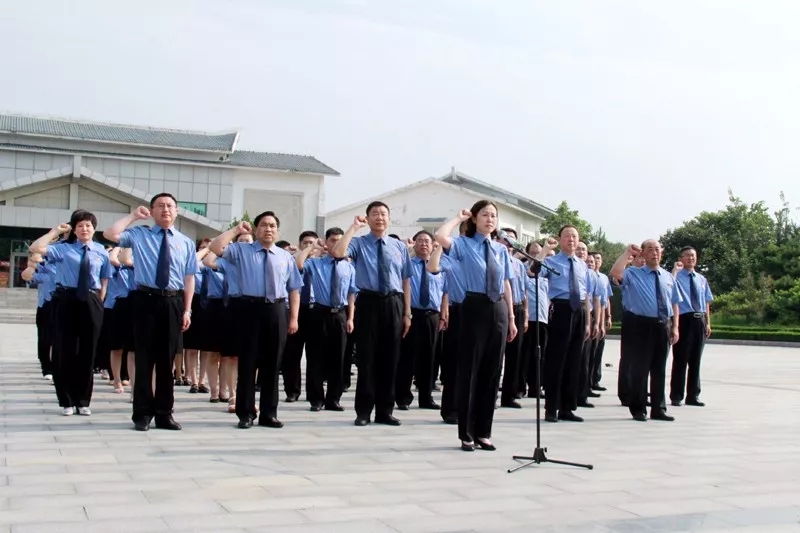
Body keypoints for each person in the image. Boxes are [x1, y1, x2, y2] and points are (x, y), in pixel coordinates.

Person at [104, 193, 197, 431]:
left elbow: (189, 278)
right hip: (145, 300)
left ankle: (165, 414)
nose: (166, 209)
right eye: (160, 206)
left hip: (173, 301)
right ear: (152, 211)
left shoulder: (186, 242)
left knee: (167, 361)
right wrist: (133, 216)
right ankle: (142, 414)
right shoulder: (139, 235)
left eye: (170, 206)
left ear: (176, 211)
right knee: (144, 360)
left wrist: (187, 310)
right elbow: (110, 234)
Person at [435, 201, 517, 452]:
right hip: (474, 306)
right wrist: (458, 218)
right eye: (484, 215)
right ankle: (467, 433)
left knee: (493, 372)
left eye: (493, 215)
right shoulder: (463, 244)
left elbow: (506, 283)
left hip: (498, 308)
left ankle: (484, 432)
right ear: (474, 218)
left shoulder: (501, 250)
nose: (490, 219)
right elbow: (440, 236)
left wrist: (511, 317)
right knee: (470, 371)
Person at [209, 211, 302, 429]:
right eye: (263, 225)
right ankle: (246, 413)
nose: (268, 229)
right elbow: (215, 247)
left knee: (273, 364)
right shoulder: (241, 250)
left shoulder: (285, 257)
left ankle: (269, 413)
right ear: (256, 228)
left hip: (276, 310)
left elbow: (294, 289)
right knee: (248, 363)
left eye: (272, 226)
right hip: (248, 309)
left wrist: (294, 318)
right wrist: (236, 230)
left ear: (277, 231)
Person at [331, 201, 413, 427]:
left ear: (389, 218)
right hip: (368, 302)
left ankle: (385, 411)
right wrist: (353, 228)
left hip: (394, 302)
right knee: (367, 359)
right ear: (367, 219)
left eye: (383, 214)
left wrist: (407, 313)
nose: (379, 217)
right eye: (375, 214)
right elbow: (338, 253)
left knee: (391, 358)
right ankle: (364, 411)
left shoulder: (398, 246)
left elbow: (406, 281)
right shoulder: (359, 243)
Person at [30, 210, 111, 416]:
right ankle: (66, 400)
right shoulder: (63, 249)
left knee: (88, 352)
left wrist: (99, 302)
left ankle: (82, 400)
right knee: (64, 351)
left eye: (88, 225)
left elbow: (104, 280)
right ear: (74, 229)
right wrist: (55, 232)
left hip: (91, 300)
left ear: (94, 228)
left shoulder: (101, 251)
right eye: (80, 226)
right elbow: (35, 248)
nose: (85, 229)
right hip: (66, 298)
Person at [610, 240, 681, 422]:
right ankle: (638, 408)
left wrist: (675, 326)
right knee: (640, 369)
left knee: (659, 368)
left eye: (657, 249)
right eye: (650, 249)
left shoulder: (668, 276)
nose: (654, 253)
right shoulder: (633, 273)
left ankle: (658, 408)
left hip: (662, 324)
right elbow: (616, 273)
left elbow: (674, 303)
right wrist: (627, 254)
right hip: (640, 325)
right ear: (643, 253)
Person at [535, 227, 599, 423]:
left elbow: (586, 294)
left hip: (579, 311)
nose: (571, 239)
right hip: (561, 309)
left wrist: (587, 322)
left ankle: (567, 407)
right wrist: (545, 250)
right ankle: (551, 408)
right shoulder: (551, 262)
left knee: (574, 361)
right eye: (567, 236)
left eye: (574, 236)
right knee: (557, 360)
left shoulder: (582, 265)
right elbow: (532, 271)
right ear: (560, 239)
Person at [294, 228, 358, 411]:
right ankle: (316, 399)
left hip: (340, 314)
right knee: (316, 357)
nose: (336, 244)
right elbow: (298, 263)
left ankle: (333, 399)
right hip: (319, 313)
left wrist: (350, 318)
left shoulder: (349, 267)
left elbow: (352, 294)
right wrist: (312, 246)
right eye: (333, 240)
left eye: (340, 240)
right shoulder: (316, 263)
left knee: (338, 358)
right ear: (326, 242)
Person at [395, 230, 448, 411]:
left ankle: (426, 397)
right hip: (412, 314)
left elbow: (445, 292)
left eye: (427, 241)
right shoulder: (407, 265)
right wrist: (406, 314)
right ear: (414, 243)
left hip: (433, 315)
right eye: (420, 241)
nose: (423, 244)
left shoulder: (440, 267)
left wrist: (444, 314)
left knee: (430, 358)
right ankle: (403, 397)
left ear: (433, 245)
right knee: (407, 357)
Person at [427, 221, 468, 424]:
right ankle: (451, 409)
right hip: (460, 310)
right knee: (455, 364)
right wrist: (440, 247)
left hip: (483, 311)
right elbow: (432, 267)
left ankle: (469, 408)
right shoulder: (451, 257)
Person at [670, 246, 713, 407]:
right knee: (680, 359)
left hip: (699, 319)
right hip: (684, 319)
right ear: (681, 258)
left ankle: (693, 395)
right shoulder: (676, 276)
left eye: (693, 255)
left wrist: (707, 322)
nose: (691, 258)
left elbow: (706, 301)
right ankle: (676, 395)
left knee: (696, 360)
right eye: (687, 255)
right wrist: (675, 270)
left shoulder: (701, 279)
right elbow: (669, 287)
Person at [282, 231, 320, 403]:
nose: (310, 246)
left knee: (315, 355)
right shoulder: (291, 261)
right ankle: (292, 391)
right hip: (295, 310)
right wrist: (308, 249)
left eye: (313, 242)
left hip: (315, 310)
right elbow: (299, 264)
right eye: (306, 243)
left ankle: (314, 394)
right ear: (299, 245)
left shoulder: (321, 263)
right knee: (292, 354)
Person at [498, 228, 528, 409]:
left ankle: (508, 396)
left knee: (515, 355)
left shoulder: (519, 265)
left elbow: (524, 291)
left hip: (518, 308)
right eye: (506, 239)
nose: (509, 243)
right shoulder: (495, 258)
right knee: (496, 353)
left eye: (512, 240)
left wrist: (526, 314)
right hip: (501, 307)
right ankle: (490, 394)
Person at [21, 252, 55, 381]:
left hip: (64, 305)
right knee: (45, 339)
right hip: (45, 306)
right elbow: (26, 276)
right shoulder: (44, 269)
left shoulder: (63, 266)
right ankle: (47, 367)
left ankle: (57, 366)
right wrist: (32, 264)